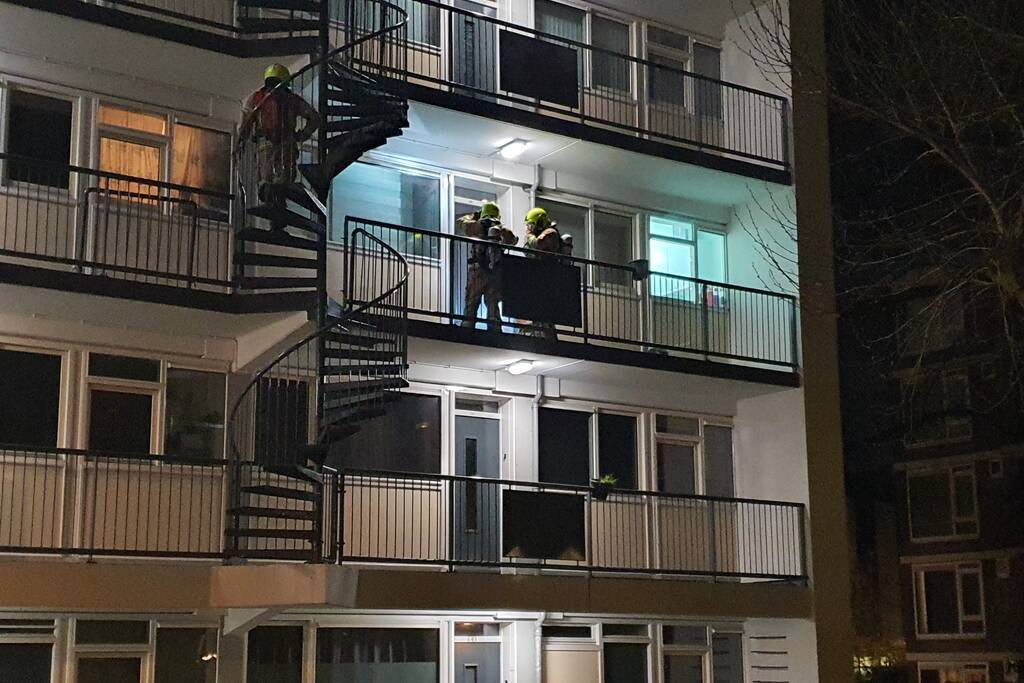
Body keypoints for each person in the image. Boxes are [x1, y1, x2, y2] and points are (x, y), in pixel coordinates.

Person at [238, 64, 322, 221]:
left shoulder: (257, 99)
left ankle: (275, 213)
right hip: (286, 146)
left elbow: (245, 123)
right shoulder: (293, 100)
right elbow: (314, 118)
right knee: (281, 183)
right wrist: (302, 135)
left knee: (267, 181)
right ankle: (278, 214)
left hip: (266, 146)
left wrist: (242, 141)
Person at [458, 202, 516, 331]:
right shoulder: (501, 230)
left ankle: (467, 330)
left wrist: (474, 216)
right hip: (495, 272)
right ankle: (495, 331)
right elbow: (513, 241)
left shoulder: (477, 226)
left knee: (472, 302)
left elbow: (461, 223)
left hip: (477, 270)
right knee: (493, 304)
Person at [523, 207, 562, 340]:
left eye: (531, 224)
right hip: (536, 278)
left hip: (547, 278)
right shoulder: (538, 234)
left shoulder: (550, 233)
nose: (529, 228)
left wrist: (529, 235)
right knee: (537, 316)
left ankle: (550, 342)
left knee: (545, 316)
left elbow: (538, 243)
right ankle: (537, 338)